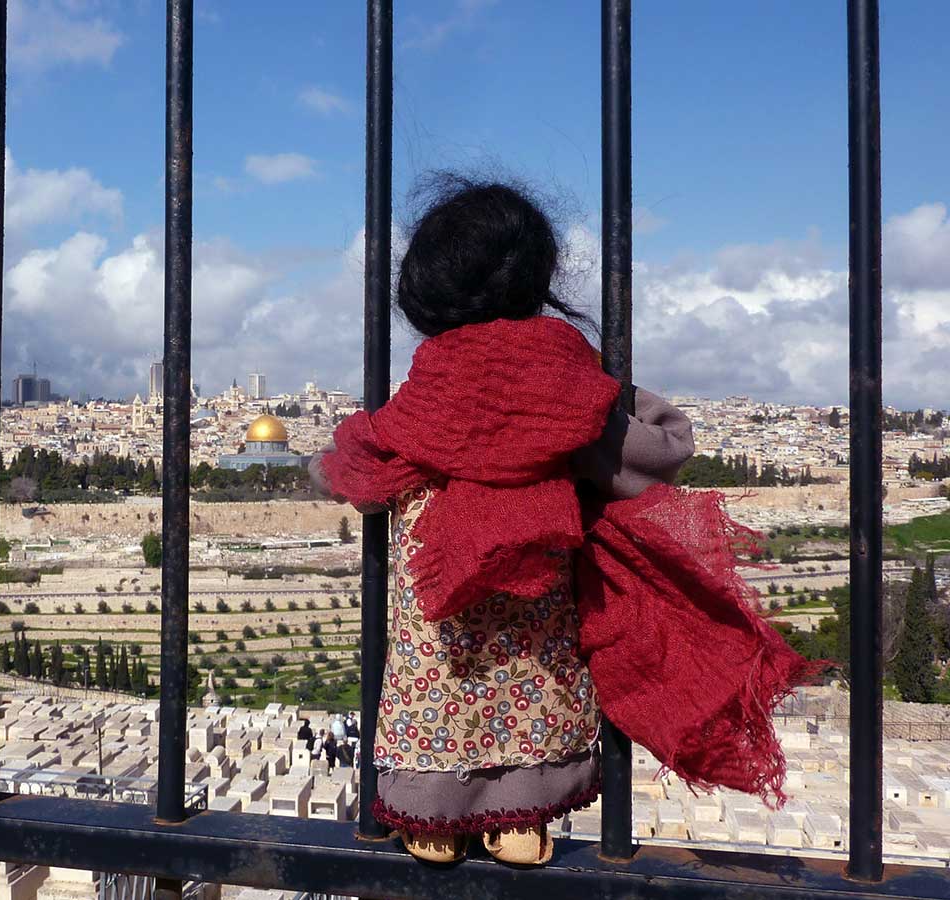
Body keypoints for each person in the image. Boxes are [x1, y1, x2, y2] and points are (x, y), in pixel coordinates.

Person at [309, 176, 808, 866]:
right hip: (538, 627)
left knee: (432, 688)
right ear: (537, 278)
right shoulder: (571, 393)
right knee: (535, 684)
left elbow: (350, 466)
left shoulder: (419, 402)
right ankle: (521, 816)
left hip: (434, 632)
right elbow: (662, 449)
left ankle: (430, 813)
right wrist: (612, 389)